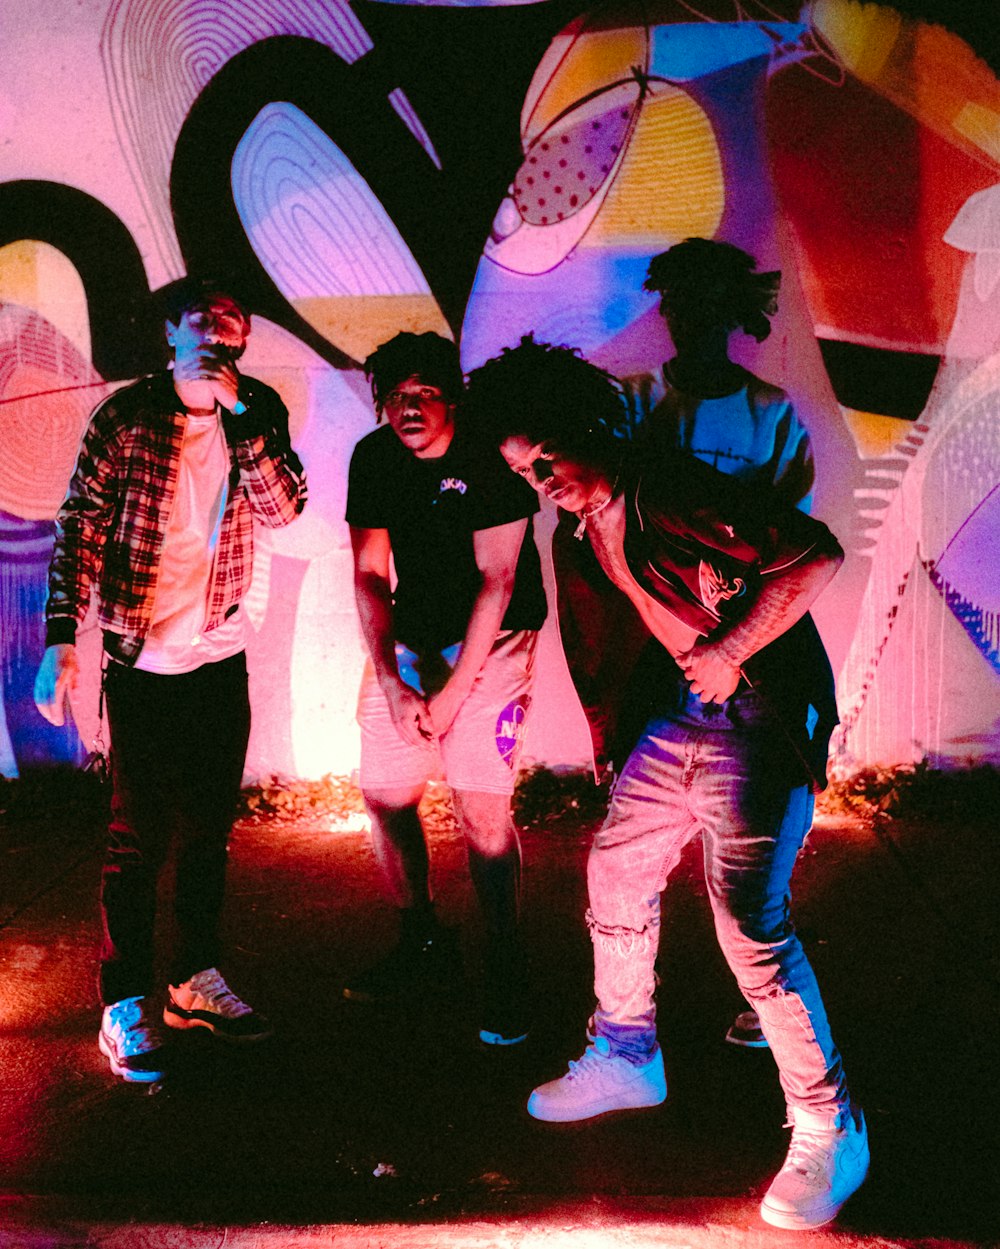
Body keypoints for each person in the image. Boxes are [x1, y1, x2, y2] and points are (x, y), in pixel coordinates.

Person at [464, 338, 868, 1231]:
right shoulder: (585, 524)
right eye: (526, 472)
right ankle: (626, 1052)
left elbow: (815, 553)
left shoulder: (667, 485)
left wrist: (730, 650)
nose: (543, 479)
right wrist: (622, 741)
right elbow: (610, 647)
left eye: (547, 456)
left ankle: (829, 1124)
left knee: (749, 925)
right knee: (614, 873)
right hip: (680, 719)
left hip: (759, 710)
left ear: (585, 428)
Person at [34, 277, 307, 1083]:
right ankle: (125, 1000)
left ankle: (193, 980)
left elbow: (285, 508)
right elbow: (79, 523)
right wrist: (62, 639)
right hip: (142, 659)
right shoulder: (126, 416)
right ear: (171, 336)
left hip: (219, 653)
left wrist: (244, 420)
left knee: (208, 831)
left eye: (233, 325)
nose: (219, 335)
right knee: (135, 837)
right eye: (202, 322)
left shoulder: (255, 409)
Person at [635, 236, 817, 1047]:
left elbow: (791, 538)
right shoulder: (640, 400)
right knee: (648, 820)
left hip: (759, 646)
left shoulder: (772, 412)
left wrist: (738, 633)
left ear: (732, 313)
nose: (689, 323)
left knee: (757, 818)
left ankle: (760, 986)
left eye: (707, 307)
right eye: (677, 306)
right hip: (661, 644)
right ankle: (645, 983)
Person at [344, 331, 546, 1046]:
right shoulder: (374, 458)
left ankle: (504, 960)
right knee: (385, 794)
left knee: (482, 813)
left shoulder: (490, 454)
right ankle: (423, 939)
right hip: (415, 632)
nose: (409, 405)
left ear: (451, 395)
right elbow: (369, 575)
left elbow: (500, 579)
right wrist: (393, 681)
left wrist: (457, 691)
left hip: (494, 638)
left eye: (424, 391)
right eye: (395, 394)